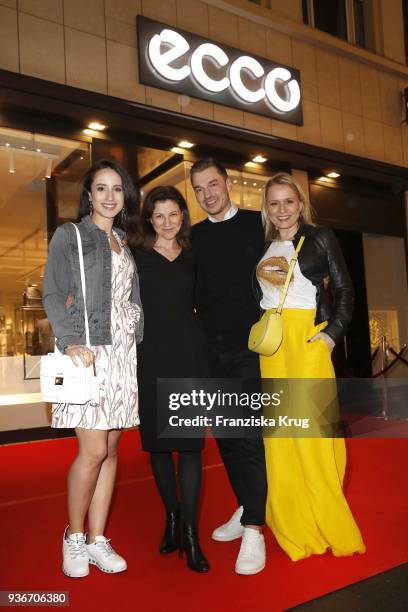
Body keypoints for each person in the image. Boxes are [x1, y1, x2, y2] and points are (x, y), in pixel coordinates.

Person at [257, 171, 366, 561]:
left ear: (301, 204)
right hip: (273, 350)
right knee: (281, 438)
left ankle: (326, 518)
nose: (282, 210)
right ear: (266, 208)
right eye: (274, 203)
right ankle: (292, 520)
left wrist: (331, 335)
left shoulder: (320, 238)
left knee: (318, 437)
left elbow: (346, 290)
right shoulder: (264, 245)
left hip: (307, 344)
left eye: (289, 201)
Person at [43, 159, 143, 577]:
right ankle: (75, 537)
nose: (109, 196)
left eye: (117, 189)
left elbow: (130, 297)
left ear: (124, 197)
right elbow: (53, 291)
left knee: (113, 450)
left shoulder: (124, 241)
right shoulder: (71, 235)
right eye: (101, 188)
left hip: (122, 355)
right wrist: (70, 341)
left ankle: (100, 539)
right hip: (90, 352)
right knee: (94, 450)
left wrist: (134, 323)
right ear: (89, 195)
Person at [190, 158, 268, 575]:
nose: (208, 194)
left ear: (227, 183)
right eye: (200, 189)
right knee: (225, 436)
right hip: (210, 353)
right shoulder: (194, 237)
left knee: (249, 437)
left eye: (213, 184)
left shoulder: (259, 225)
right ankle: (246, 505)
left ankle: (255, 527)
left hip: (250, 351)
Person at [129, 185, 210, 573]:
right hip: (150, 358)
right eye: (158, 215)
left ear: (182, 216)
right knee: (160, 448)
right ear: (149, 219)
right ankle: (172, 518)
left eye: (173, 214)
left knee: (191, 448)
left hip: (189, 357)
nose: (165, 222)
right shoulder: (136, 257)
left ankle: (191, 534)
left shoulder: (194, 256)